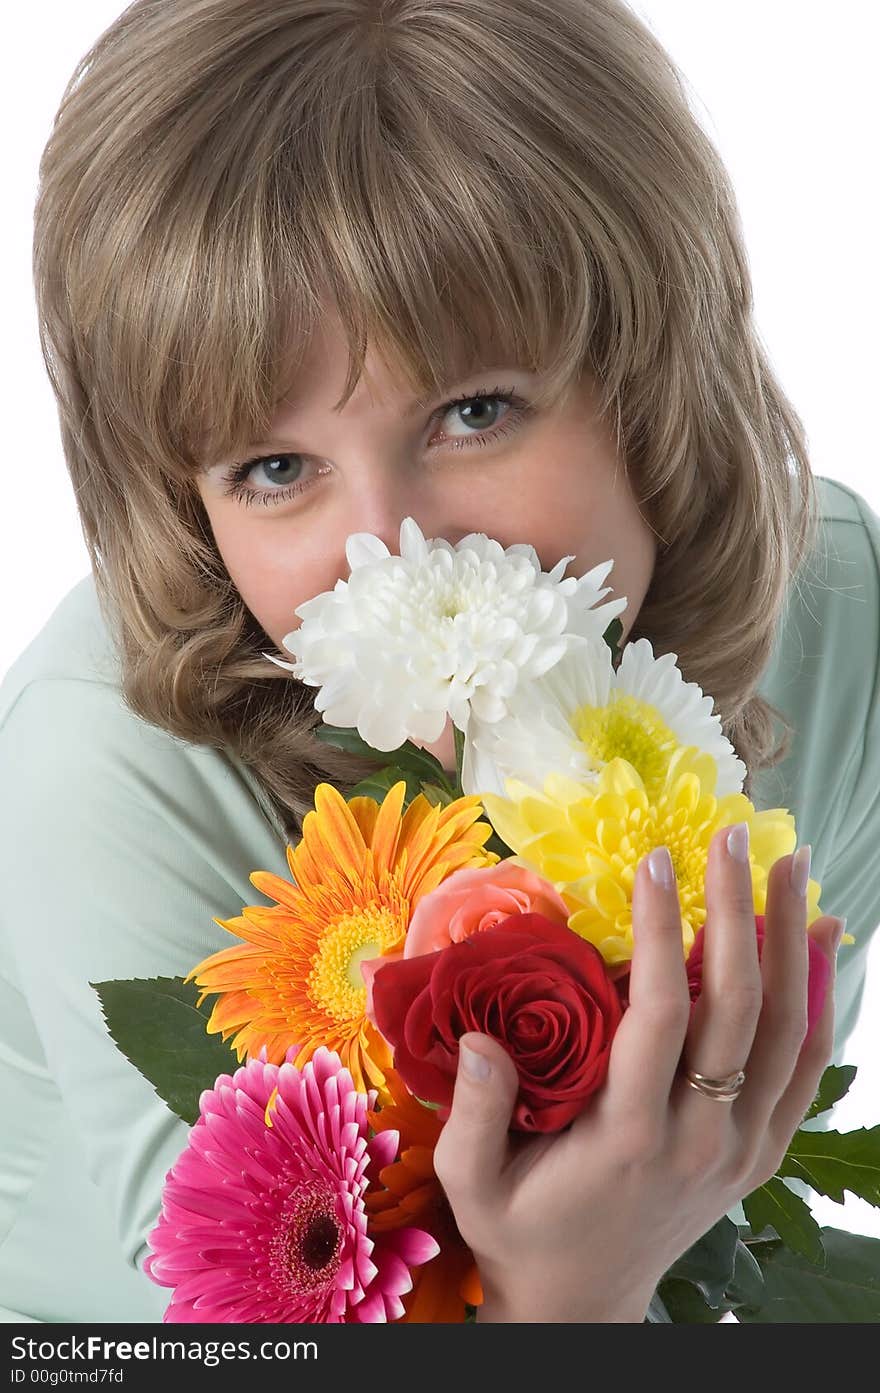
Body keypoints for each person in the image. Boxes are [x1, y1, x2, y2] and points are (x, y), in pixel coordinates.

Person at [0, 0, 876, 1324]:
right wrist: (569, 1294)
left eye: (476, 412)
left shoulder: (837, 611)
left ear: (660, 386)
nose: (386, 551)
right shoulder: (96, 765)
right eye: (276, 467)